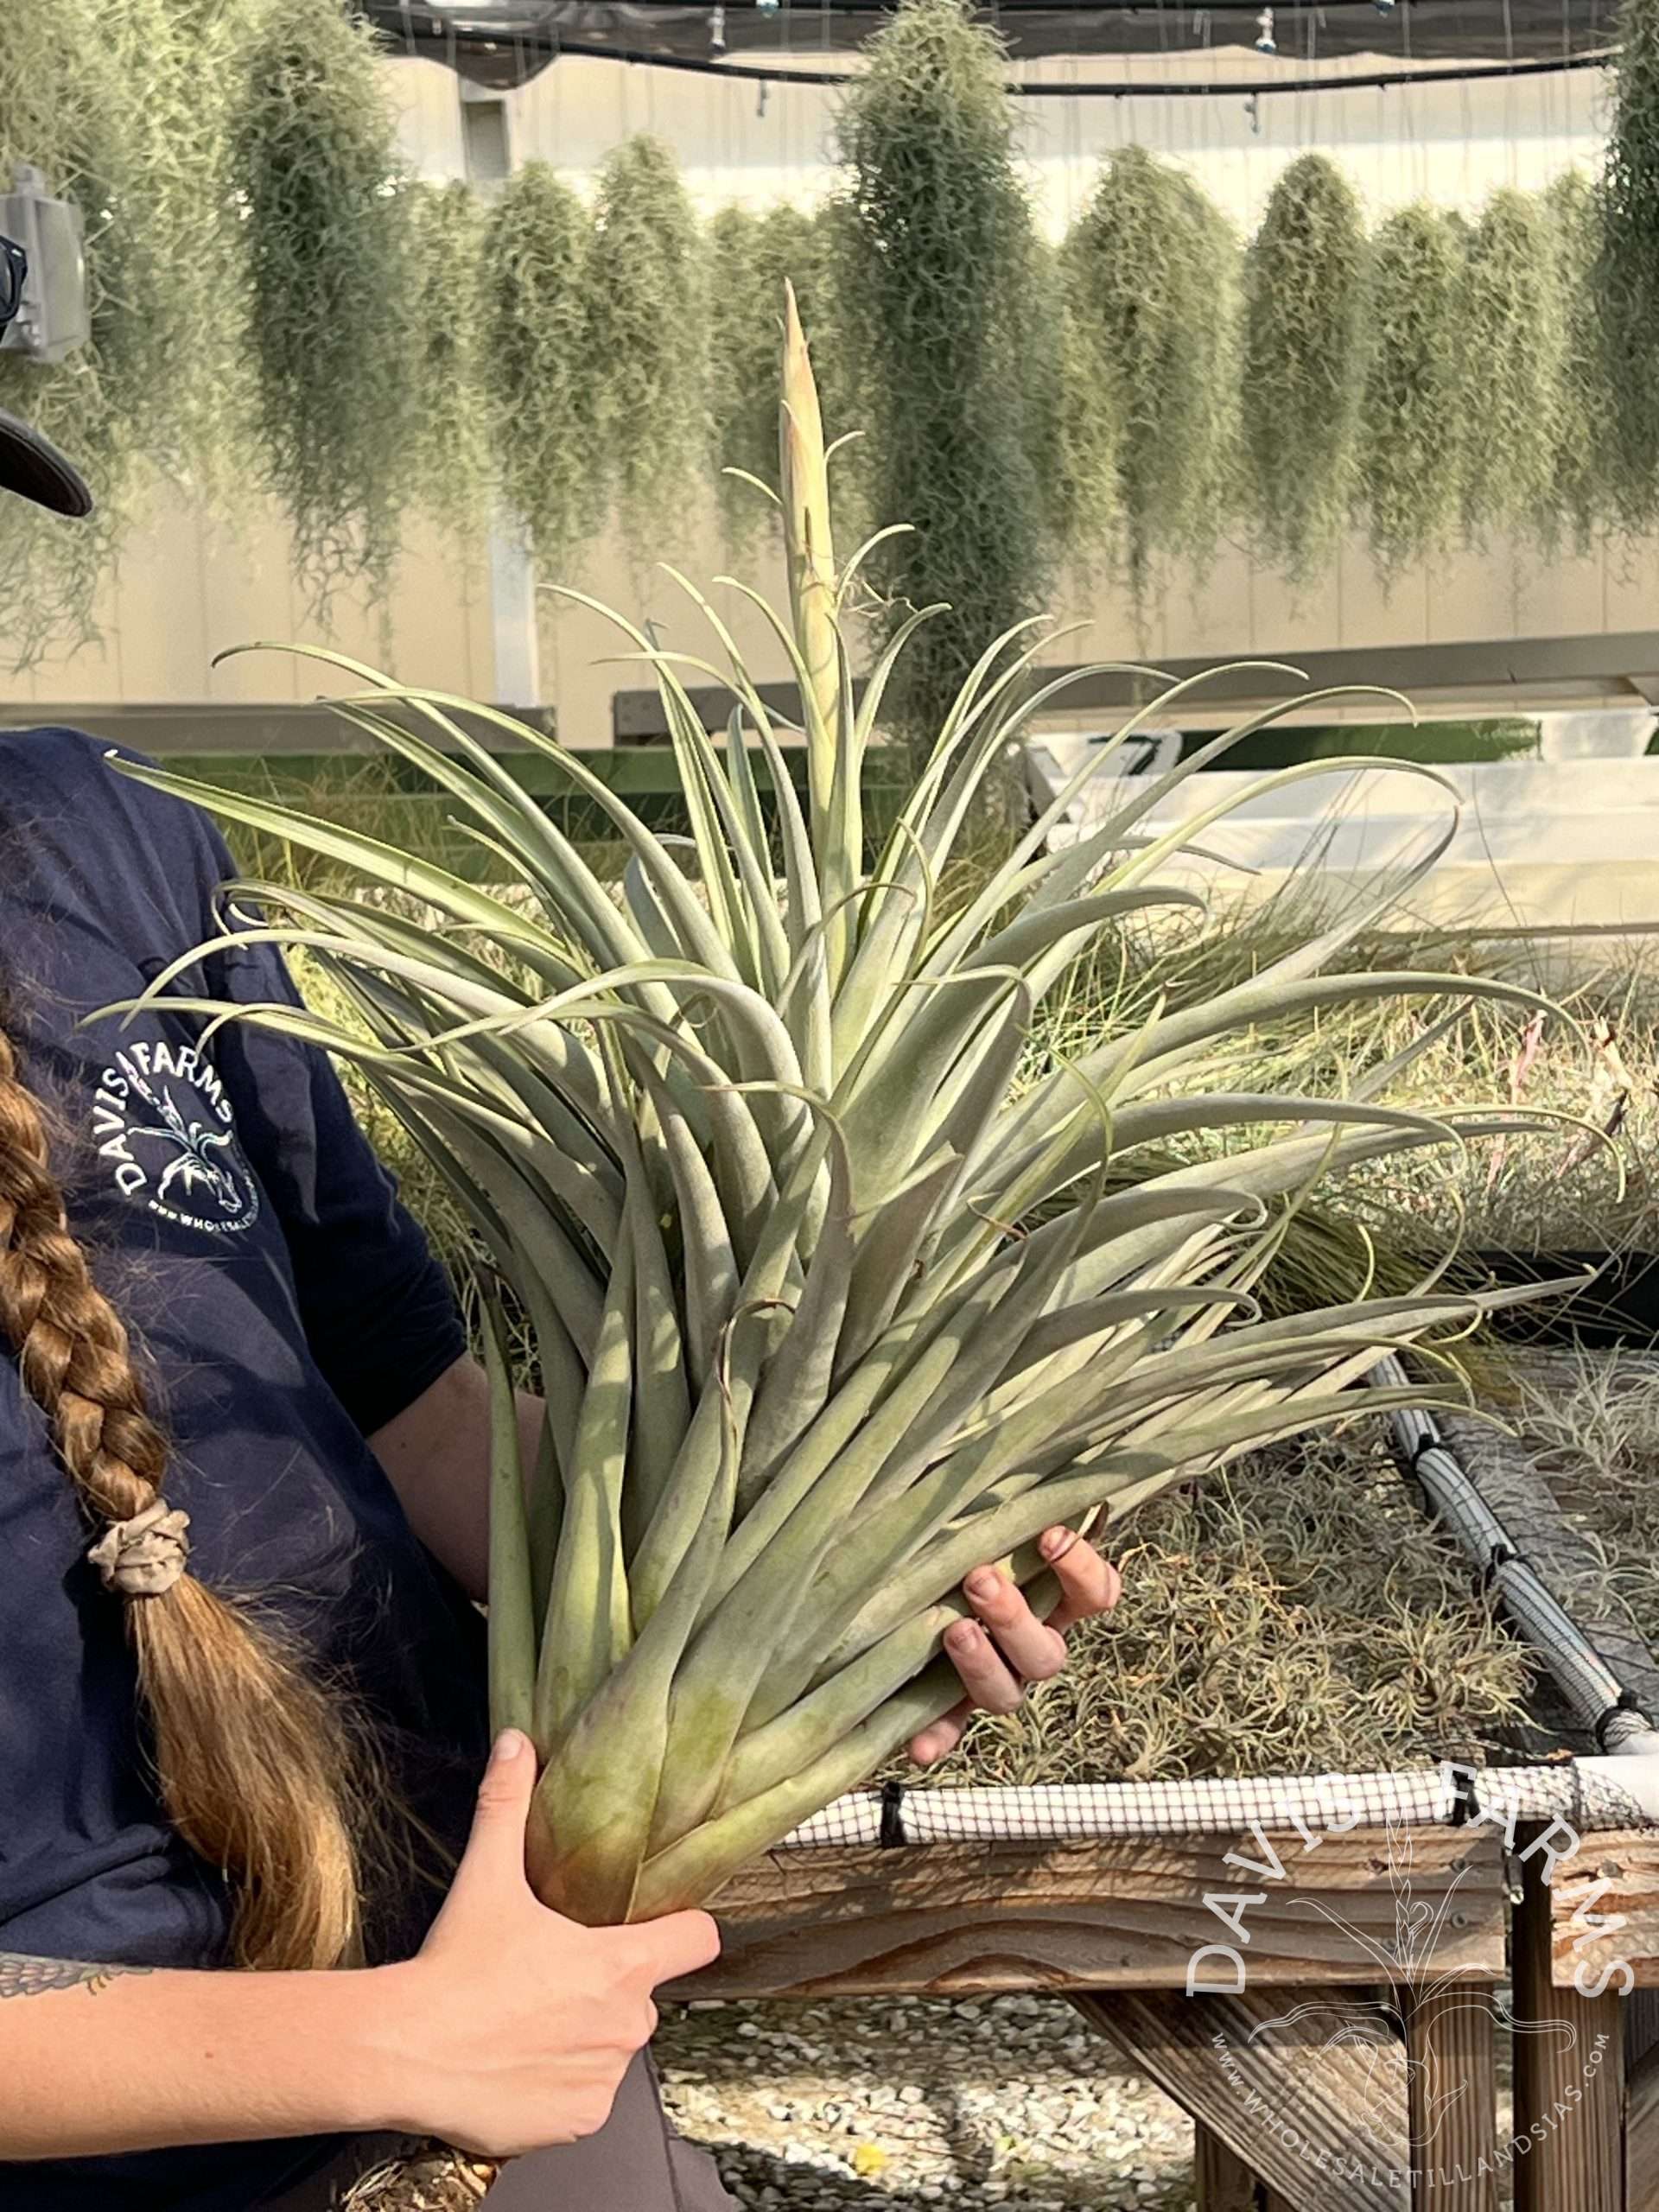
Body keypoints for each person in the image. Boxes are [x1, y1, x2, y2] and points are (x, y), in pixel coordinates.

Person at [0, 330, 1122, 2208]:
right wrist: (387, 2044)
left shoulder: (104, 838)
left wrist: (822, 1573)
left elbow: (412, 1410)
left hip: (493, 1997)